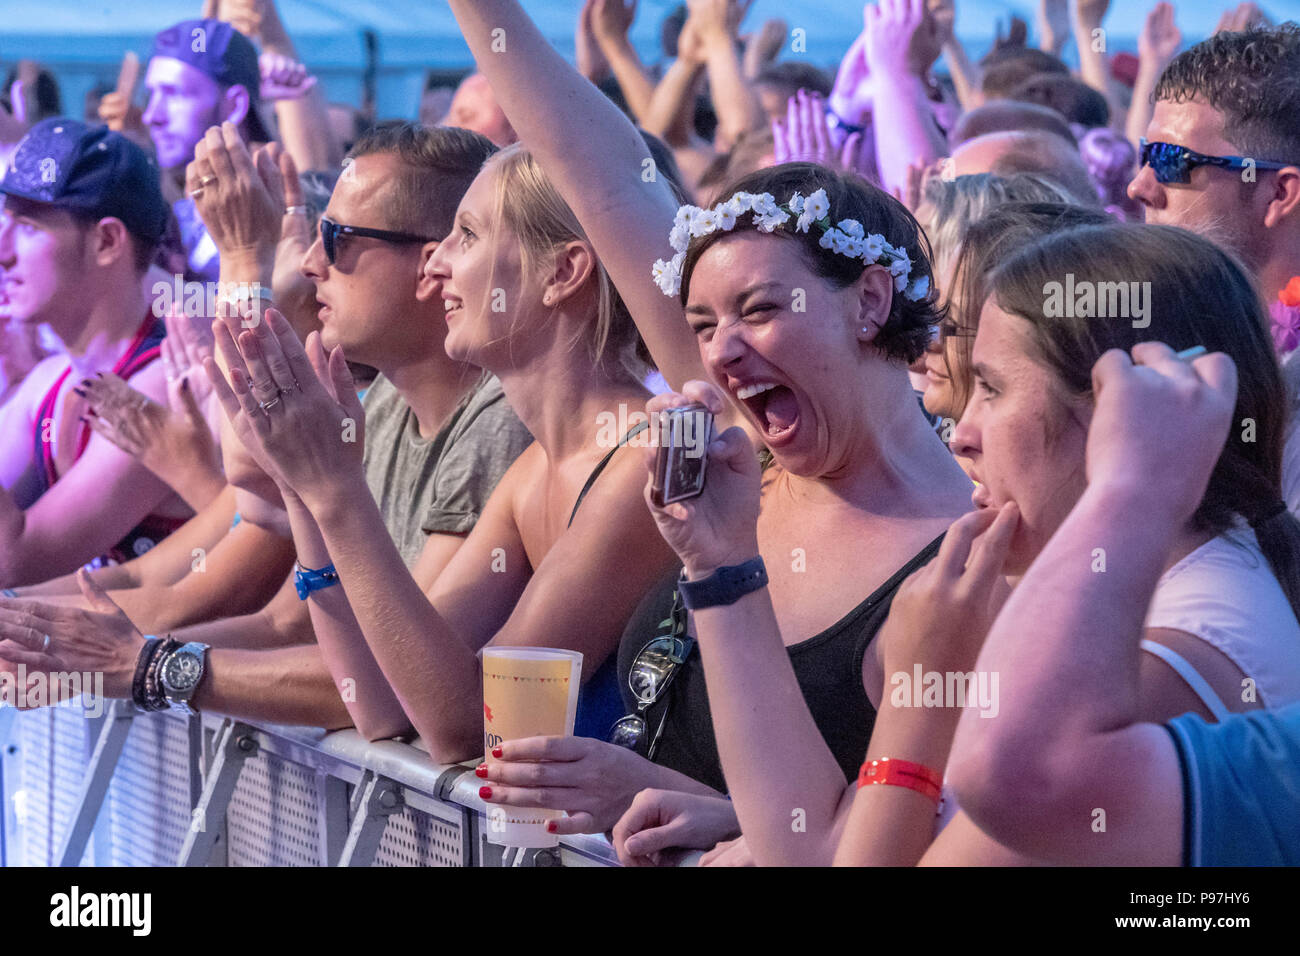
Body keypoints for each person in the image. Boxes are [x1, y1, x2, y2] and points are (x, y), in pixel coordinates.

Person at [442, 0, 972, 838]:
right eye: (698, 327)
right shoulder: (751, 457)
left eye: (759, 309)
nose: (720, 353)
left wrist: (724, 822)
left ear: (870, 300)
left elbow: (926, 841)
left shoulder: (970, 549)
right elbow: (607, 175)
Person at [202, 133, 686, 760]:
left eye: (468, 235)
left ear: (563, 272)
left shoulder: (638, 466)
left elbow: (466, 725)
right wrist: (303, 487)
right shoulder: (535, 469)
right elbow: (378, 701)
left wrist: (335, 491)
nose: (436, 265)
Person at [949, 340, 1300, 866]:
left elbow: (1011, 772)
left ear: (1118, 417)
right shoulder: (1218, 566)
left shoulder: (1170, 662)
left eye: (991, 388)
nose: (959, 434)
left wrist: (916, 698)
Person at [0, 119, 189, 586]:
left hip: (169, 652)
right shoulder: (50, 381)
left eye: (26, 225)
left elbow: (14, 561)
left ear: (107, 241)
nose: (3, 249)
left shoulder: (163, 386)